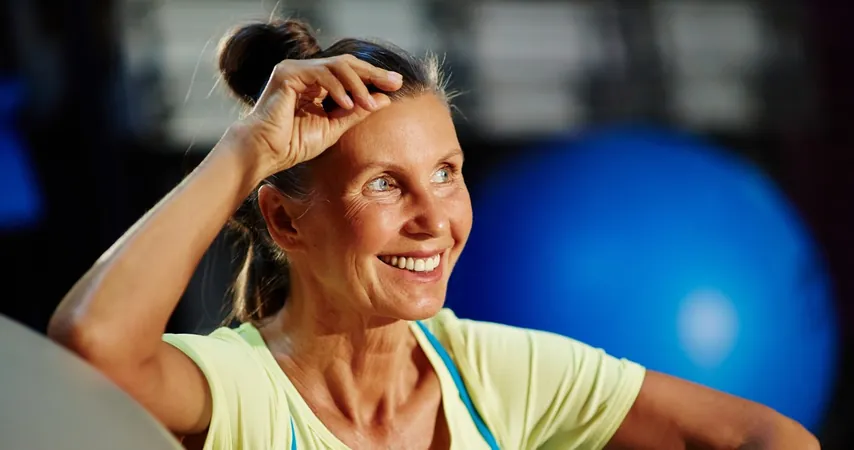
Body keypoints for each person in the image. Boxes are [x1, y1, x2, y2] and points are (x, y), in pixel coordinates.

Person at [48, 18, 819, 450]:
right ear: (283, 220)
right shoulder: (243, 391)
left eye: (446, 172)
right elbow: (94, 344)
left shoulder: (491, 373)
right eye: (385, 184)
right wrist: (248, 149)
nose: (434, 219)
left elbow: (770, 438)